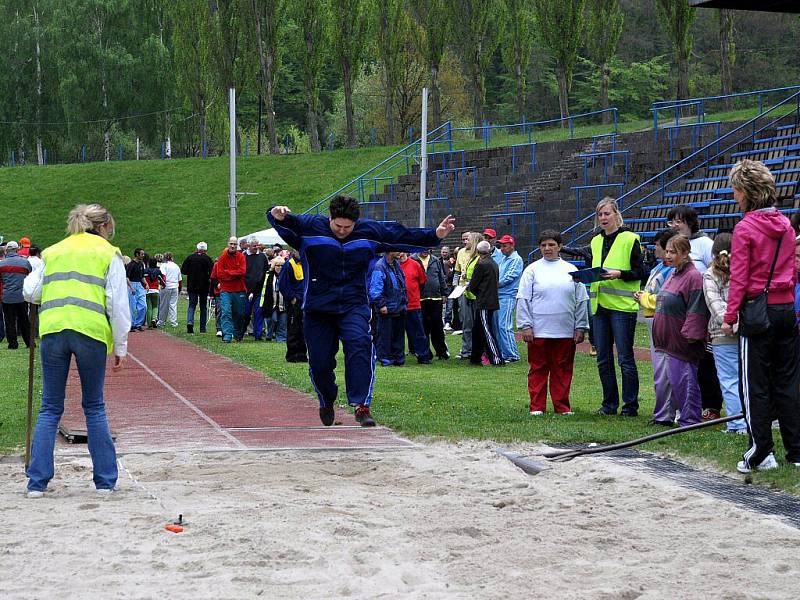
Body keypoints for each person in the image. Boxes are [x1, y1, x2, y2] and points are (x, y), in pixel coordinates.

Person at [268, 195, 455, 427]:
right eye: (338, 226)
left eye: (348, 227)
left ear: (356, 222)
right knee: (320, 363)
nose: (343, 231)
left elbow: (400, 235)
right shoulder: (310, 227)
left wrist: (434, 235)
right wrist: (275, 214)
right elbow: (285, 223)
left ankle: (361, 405)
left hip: (353, 304)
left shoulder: (369, 231)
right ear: (330, 218)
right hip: (319, 307)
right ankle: (326, 398)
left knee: (360, 347)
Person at [22, 204, 130, 497]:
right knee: (94, 405)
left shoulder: (53, 251)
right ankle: (105, 481)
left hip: (54, 330)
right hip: (90, 331)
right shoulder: (108, 253)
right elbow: (117, 305)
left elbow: (30, 292)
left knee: (50, 406)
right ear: (104, 226)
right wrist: (121, 345)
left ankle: (37, 482)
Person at [722, 159, 800, 473]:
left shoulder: (745, 228)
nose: (733, 196)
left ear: (746, 191)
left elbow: (739, 278)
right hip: (785, 308)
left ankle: (760, 453)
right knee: (788, 381)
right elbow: (793, 268)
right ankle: (796, 453)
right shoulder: (785, 224)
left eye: (736, 190)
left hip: (757, 310)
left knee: (754, 385)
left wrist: (729, 316)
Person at [517, 230, 589, 415]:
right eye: (543, 245)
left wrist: (580, 326)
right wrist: (526, 325)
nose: (547, 249)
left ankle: (562, 406)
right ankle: (537, 407)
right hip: (539, 330)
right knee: (538, 369)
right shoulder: (531, 270)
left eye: (551, 245)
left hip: (564, 330)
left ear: (559, 246)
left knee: (563, 369)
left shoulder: (572, 270)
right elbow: (524, 299)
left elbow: (581, 300)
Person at [667, 204, 724, 421]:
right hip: (680, 311)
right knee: (687, 362)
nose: (674, 225)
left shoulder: (704, 244)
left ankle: (711, 405)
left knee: (706, 360)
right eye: (671, 221)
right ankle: (690, 404)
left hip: (704, 310)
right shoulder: (673, 245)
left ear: (689, 222)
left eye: (678, 221)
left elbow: (717, 271)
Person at [587, 197, 642, 416]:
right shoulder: (595, 241)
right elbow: (595, 270)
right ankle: (609, 404)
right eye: (600, 214)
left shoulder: (630, 239)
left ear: (616, 214)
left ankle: (630, 406)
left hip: (622, 307)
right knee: (602, 358)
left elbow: (641, 271)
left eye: (607, 214)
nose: (603, 218)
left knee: (625, 358)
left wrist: (621, 274)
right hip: (599, 306)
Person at [652, 235, 710, 427]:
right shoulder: (673, 273)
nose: (668, 255)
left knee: (684, 382)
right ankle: (663, 417)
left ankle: (690, 419)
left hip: (681, 342)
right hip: (664, 341)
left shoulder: (693, 277)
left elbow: (697, 309)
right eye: (667, 251)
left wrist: (691, 336)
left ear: (685, 254)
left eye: (673, 252)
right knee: (664, 382)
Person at [703, 233, 747, 435]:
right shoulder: (745, 269)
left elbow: (715, 306)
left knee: (729, 380)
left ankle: (737, 424)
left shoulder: (710, 274)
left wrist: (730, 323)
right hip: (746, 331)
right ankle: (750, 421)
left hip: (722, 333)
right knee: (747, 378)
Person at [634, 228, 677, 426]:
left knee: (665, 369)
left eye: (659, 247)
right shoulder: (658, 267)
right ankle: (662, 411)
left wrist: (644, 298)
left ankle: (667, 413)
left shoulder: (672, 271)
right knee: (659, 369)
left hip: (664, 320)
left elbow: (663, 298)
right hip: (652, 319)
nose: (657, 250)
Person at [467, 241, 503, 366]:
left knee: (486, 330)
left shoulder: (481, 264)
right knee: (478, 330)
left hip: (484, 302)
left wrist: (471, 288)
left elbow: (473, 285)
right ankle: (475, 358)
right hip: (491, 300)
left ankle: (497, 358)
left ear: (478, 251)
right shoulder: (493, 263)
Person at [369, 251, 408, 367]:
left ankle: (399, 358)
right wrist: (381, 305)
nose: (401, 252)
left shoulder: (396, 264)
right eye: (397, 250)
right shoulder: (380, 266)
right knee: (385, 336)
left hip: (399, 306)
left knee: (399, 335)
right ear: (390, 251)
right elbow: (375, 288)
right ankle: (385, 358)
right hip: (387, 307)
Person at [398, 252, 433, 364]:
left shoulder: (415, 265)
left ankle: (424, 356)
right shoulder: (392, 265)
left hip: (413, 304)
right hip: (397, 305)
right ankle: (397, 356)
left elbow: (422, 282)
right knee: (396, 332)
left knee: (418, 332)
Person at [494, 234, 523, 362]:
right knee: (499, 326)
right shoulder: (505, 259)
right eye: (501, 246)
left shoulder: (516, 259)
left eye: (505, 246)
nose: (502, 248)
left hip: (507, 296)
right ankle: (504, 352)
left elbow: (509, 277)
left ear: (512, 245)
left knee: (504, 326)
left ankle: (512, 354)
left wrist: (493, 284)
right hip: (500, 295)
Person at [416, 248, 449, 360]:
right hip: (420, 299)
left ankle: (442, 351)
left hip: (436, 298)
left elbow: (441, 278)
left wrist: (444, 293)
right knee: (423, 327)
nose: (425, 250)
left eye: (428, 248)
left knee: (437, 326)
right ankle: (426, 352)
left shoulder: (435, 260)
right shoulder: (413, 260)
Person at [213, 236, 247, 343]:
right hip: (226, 290)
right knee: (226, 312)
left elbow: (242, 271)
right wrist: (234, 274)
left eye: (234, 244)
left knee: (240, 313)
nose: (233, 246)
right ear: (228, 244)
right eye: (231, 244)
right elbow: (220, 275)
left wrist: (228, 272)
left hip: (239, 289)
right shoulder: (222, 258)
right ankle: (227, 335)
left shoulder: (241, 256)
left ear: (237, 245)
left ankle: (237, 334)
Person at [0, 240, 32, 349]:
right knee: (24, 321)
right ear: (17, 249)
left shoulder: (1, 264)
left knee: (9, 322)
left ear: (6, 250)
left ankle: (13, 344)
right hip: (22, 296)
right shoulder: (25, 262)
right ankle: (29, 342)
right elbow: (29, 274)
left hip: (7, 297)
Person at [455, 232, 482, 357]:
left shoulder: (480, 257)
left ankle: (479, 351)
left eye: (468, 239)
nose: (466, 242)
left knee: (479, 325)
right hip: (465, 292)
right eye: (464, 239)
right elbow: (458, 271)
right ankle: (466, 350)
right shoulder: (462, 253)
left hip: (477, 295)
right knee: (466, 323)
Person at [279, 250, 308, 362]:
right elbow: (282, 284)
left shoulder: (305, 263)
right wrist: (292, 297)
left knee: (303, 329)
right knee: (293, 328)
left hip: (304, 301)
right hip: (295, 302)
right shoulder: (289, 264)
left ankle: (302, 354)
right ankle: (292, 355)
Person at [181, 242, 213, 334]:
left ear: (197, 249)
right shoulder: (207, 259)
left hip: (192, 284)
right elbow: (212, 272)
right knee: (203, 306)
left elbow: (184, 270)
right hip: (204, 285)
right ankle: (202, 328)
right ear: (206, 250)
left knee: (192, 305)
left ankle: (190, 322)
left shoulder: (190, 258)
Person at [243, 237, 268, 339]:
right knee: (246, 313)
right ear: (248, 245)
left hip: (259, 290)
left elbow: (265, 271)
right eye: (254, 246)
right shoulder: (244, 256)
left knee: (259, 312)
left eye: (257, 245)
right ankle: (242, 331)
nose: (256, 247)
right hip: (246, 290)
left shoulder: (262, 256)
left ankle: (258, 334)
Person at [156, 252, 181, 328]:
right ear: (171, 258)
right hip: (175, 286)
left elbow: (162, 276)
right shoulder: (176, 266)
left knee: (164, 305)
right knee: (173, 305)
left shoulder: (163, 265)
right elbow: (180, 279)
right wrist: (179, 288)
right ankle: (174, 322)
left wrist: (162, 285)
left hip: (166, 286)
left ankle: (161, 322)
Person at [125, 248, 147, 331]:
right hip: (132, 285)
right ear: (137, 254)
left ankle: (138, 323)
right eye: (142, 254)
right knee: (133, 307)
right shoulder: (131, 265)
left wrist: (146, 284)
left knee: (143, 305)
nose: (143, 255)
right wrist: (131, 287)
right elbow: (127, 277)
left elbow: (142, 276)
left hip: (139, 285)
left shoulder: (141, 264)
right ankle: (132, 324)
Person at [144, 257, 164, 329]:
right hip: (156, 290)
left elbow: (142, 279)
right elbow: (163, 280)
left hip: (147, 290)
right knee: (155, 306)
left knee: (149, 307)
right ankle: (154, 318)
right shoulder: (158, 271)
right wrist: (162, 286)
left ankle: (149, 325)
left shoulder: (145, 271)